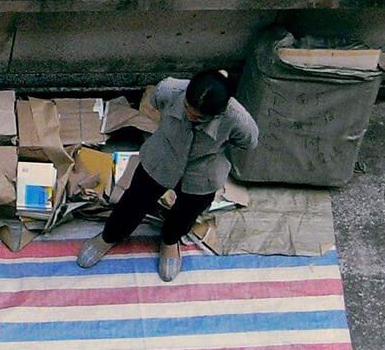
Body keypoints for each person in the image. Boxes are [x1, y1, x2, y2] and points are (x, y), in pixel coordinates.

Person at [76, 70, 259, 283]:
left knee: (187, 212)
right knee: (134, 201)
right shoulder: (169, 90)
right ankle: (110, 236)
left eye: (199, 117)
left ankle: (170, 241)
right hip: (162, 156)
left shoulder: (239, 121)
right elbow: (155, 102)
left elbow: (247, 142)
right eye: (187, 109)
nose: (191, 116)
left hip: (203, 170)